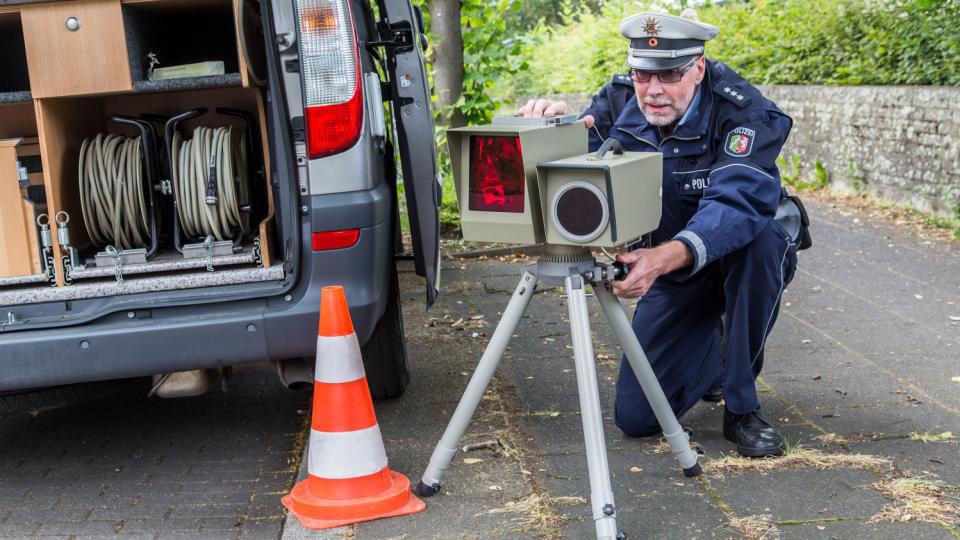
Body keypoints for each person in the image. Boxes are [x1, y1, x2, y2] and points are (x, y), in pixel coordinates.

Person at [518, 12, 799, 457]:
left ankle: (741, 406)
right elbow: (579, 163)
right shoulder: (618, 100)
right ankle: (713, 349)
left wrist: (662, 258)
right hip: (671, 269)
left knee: (763, 242)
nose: (653, 90)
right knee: (636, 419)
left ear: (699, 68)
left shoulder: (743, 112)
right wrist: (548, 126)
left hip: (735, 254)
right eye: (643, 74)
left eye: (669, 74)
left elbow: (736, 204)